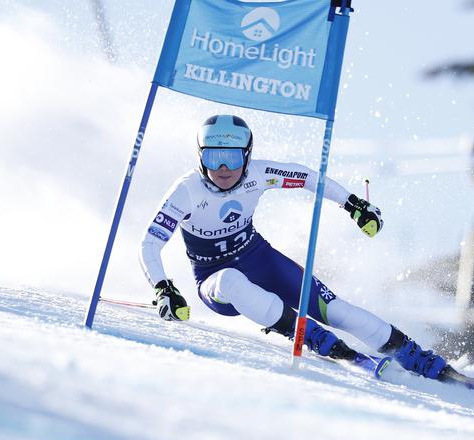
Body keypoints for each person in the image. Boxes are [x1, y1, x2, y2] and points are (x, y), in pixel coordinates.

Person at [139, 114, 447, 380]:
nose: (222, 168)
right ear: (199, 157)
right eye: (212, 157)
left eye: (232, 157)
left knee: (338, 309)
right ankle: (313, 337)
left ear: (247, 156)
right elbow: (150, 243)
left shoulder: (258, 174)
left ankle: (414, 356)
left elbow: (307, 178)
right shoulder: (186, 190)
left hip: (261, 260)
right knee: (231, 279)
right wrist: (164, 289)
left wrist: (353, 205)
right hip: (215, 281)